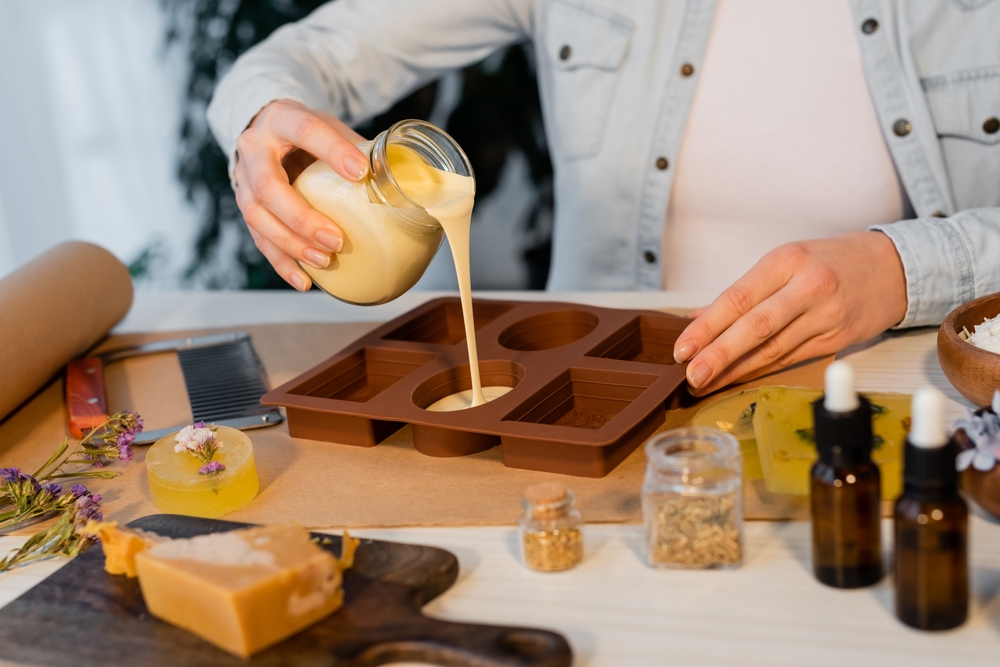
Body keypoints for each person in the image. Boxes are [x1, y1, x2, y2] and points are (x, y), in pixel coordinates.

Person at [207, 0, 1000, 396]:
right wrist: (259, 121)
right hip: (593, 390)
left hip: (892, 393)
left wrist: (906, 268)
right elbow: (318, 51)